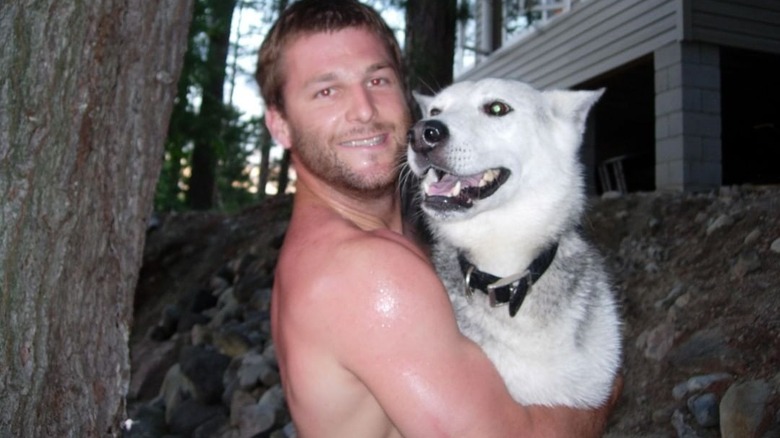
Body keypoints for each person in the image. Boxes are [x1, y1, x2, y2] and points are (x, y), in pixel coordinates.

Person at [257, 1, 620, 436]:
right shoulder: (369, 273)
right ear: (279, 125)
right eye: (326, 90)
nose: (365, 110)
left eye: (378, 79)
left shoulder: (341, 248)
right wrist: (607, 389)